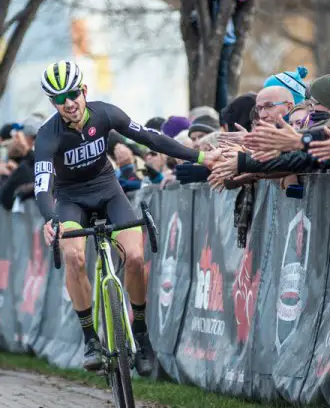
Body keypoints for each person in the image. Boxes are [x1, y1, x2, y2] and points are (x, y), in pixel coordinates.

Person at [34, 60, 217, 375]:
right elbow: (42, 186)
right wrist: (52, 219)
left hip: (108, 191)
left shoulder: (105, 113)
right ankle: (90, 338)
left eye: (73, 94)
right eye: (60, 99)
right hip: (70, 201)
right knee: (75, 258)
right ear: (53, 103)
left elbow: (152, 139)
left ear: (84, 91)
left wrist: (202, 157)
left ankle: (142, 335)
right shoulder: (47, 135)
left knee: (134, 257)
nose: (69, 103)